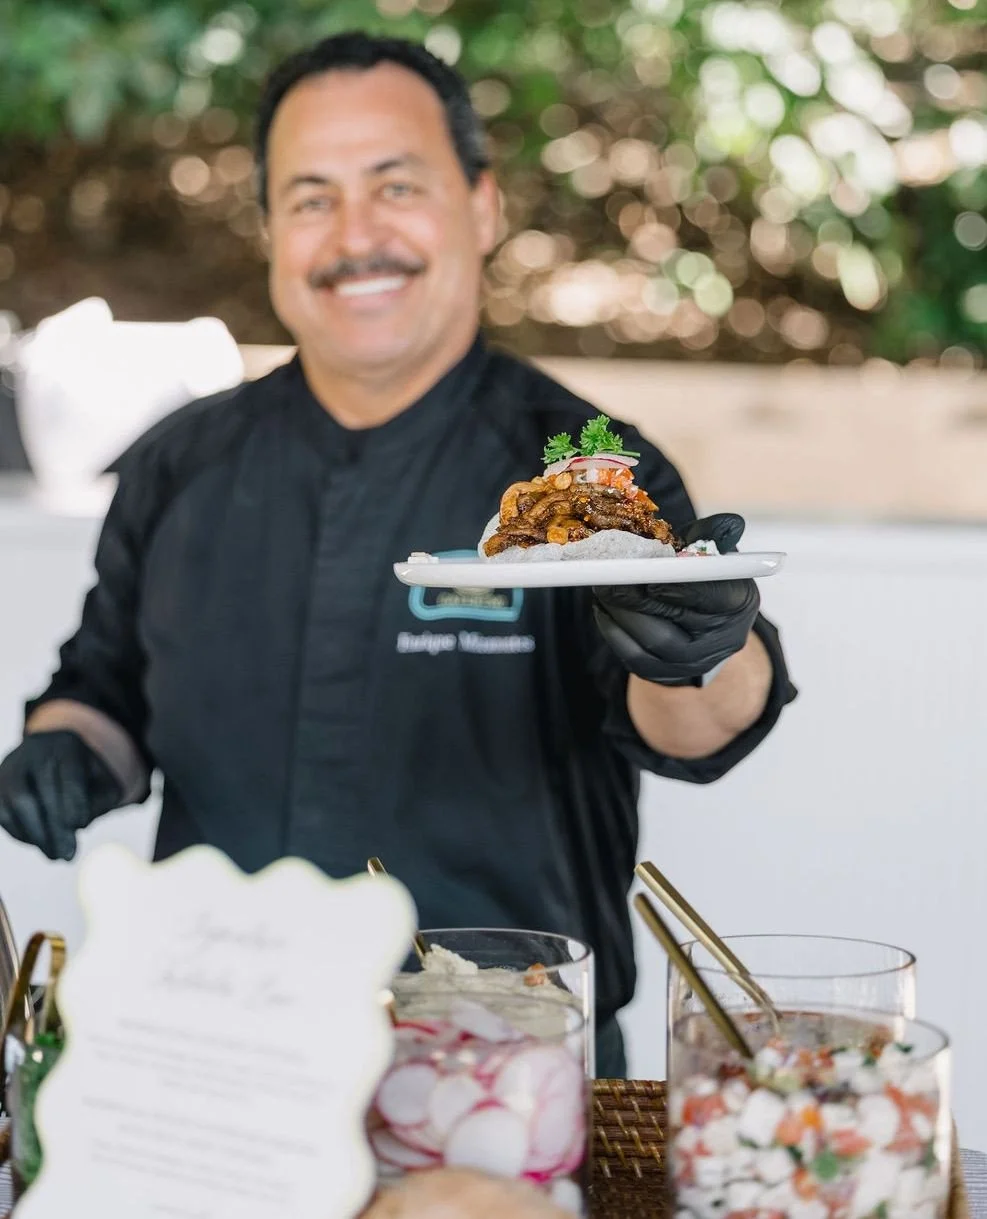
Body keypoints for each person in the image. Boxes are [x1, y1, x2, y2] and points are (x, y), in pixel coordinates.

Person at [0, 33, 796, 1076]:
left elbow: (697, 726)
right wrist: (65, 754)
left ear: (482, 207)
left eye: (395, 185)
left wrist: (699, 641)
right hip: (215, 1068)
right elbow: (105, 692)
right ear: (273, 231)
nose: (354, 235)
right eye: (311, 197)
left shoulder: (584, 473)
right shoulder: (180, 465)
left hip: (506, 1075)